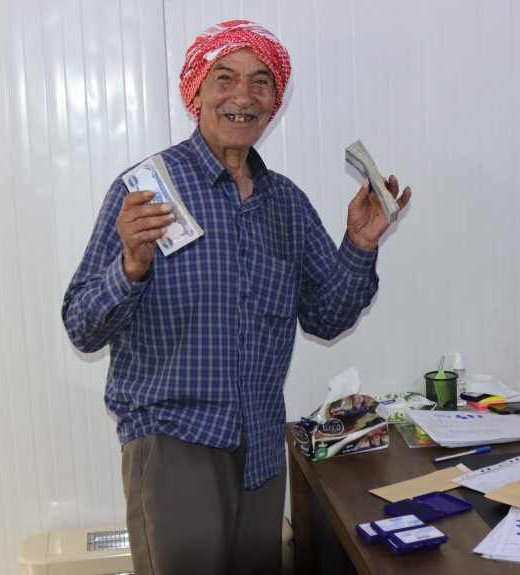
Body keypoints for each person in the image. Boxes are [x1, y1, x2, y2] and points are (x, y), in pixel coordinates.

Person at [61, 19, 412, 575]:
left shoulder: (286, 204)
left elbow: (327, 317)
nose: (243, 97)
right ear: (196, 92)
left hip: (264, 449)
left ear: (274, 104)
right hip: (174, 442)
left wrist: (359, 244)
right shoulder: (146, 189)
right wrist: (131, 264)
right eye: (225, 78)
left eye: (261, 83)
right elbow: (81, 325)